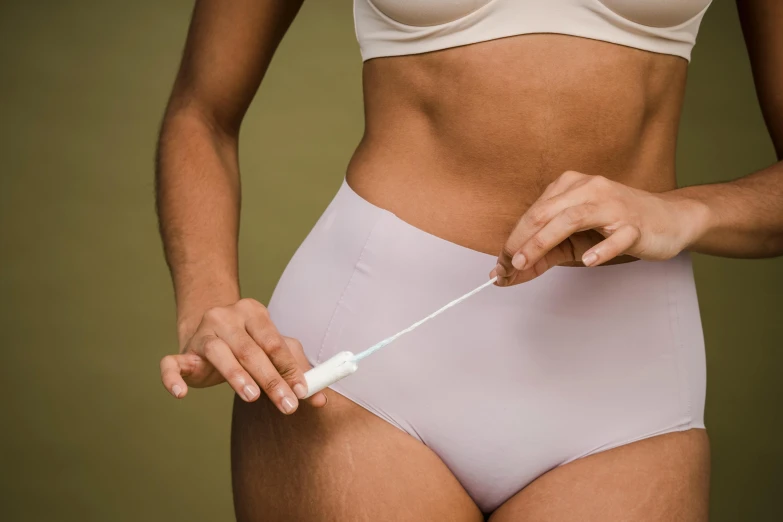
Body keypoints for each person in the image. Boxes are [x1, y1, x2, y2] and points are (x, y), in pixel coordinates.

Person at [155, 1, 783, 520]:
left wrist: (688, 212)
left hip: (626, 375)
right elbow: (201, 113)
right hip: (363, 360)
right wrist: (207, 302)